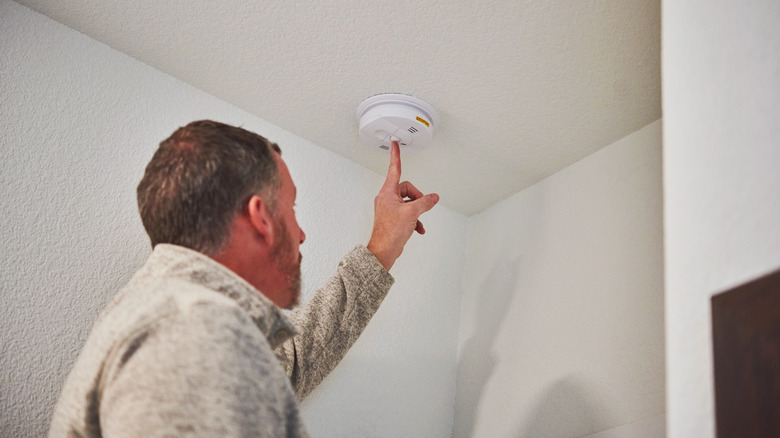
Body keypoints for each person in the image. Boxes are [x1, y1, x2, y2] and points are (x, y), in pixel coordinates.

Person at [48, 120, 439, 437]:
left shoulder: (176, 320)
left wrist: (382, 248)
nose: (301, 233)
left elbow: (288, 365)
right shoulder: (191, 335)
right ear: (260, 217)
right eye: (292, 207)